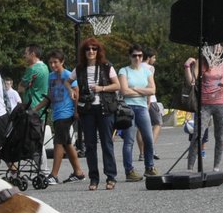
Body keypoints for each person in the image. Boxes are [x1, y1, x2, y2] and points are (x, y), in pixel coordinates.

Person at [72, 39, 119, 185]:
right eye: (88, 49)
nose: (91, 51)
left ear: (99, 51)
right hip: (87, 110)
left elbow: (117, 85)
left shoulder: (107, 67)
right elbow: (67, 81)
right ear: (84, 52)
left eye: (94, 49)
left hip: (105, 108)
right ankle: (94, 178)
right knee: (90, 145)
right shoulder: (79, 68)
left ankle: (111, 176)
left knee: (106, 143)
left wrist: (102, 88)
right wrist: (71, 91)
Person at [183, 49, 223, 172]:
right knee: (197, 135)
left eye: (219, 46)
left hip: (220, 104)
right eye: (213, 46)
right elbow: (191, 82)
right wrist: (187, 66)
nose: (217, 48)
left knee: (220, 137)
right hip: (204, 104)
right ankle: (190, 167)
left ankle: (216, 167)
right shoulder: (202, 62)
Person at [44, 49, 84, 185]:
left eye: (55, 62)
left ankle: (54, 175)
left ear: (62, 62)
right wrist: (36, 108)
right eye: (50, 63)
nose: (53, 65)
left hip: (66, 113)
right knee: (67, 143)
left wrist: (76, 111)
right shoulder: (50, 77)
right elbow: (50, 95)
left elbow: (76, 93)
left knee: (58, 142)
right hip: (56, 113)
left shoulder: (68, 75)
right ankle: (78, 172)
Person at [118, 45, 156, 184]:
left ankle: (149, 167)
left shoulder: (147, 72)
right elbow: (124, 91)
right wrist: (143, 90)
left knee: (149, 138)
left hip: (142, 107)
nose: (137, 58)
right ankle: (129, 170)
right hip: (128, 108)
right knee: (129, 141)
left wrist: (135, 88)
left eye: (140, 55)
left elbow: (153, 90)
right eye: (134, 55)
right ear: (130, 57)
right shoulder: (124, 71)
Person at [20, 45, 49, 116]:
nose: (24, 56)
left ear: (32, 54)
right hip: (41, 107)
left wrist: (26, 86)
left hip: (31, 108)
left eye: (26, 53)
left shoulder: (32, 69)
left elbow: (20, 89)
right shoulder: (46, 67)